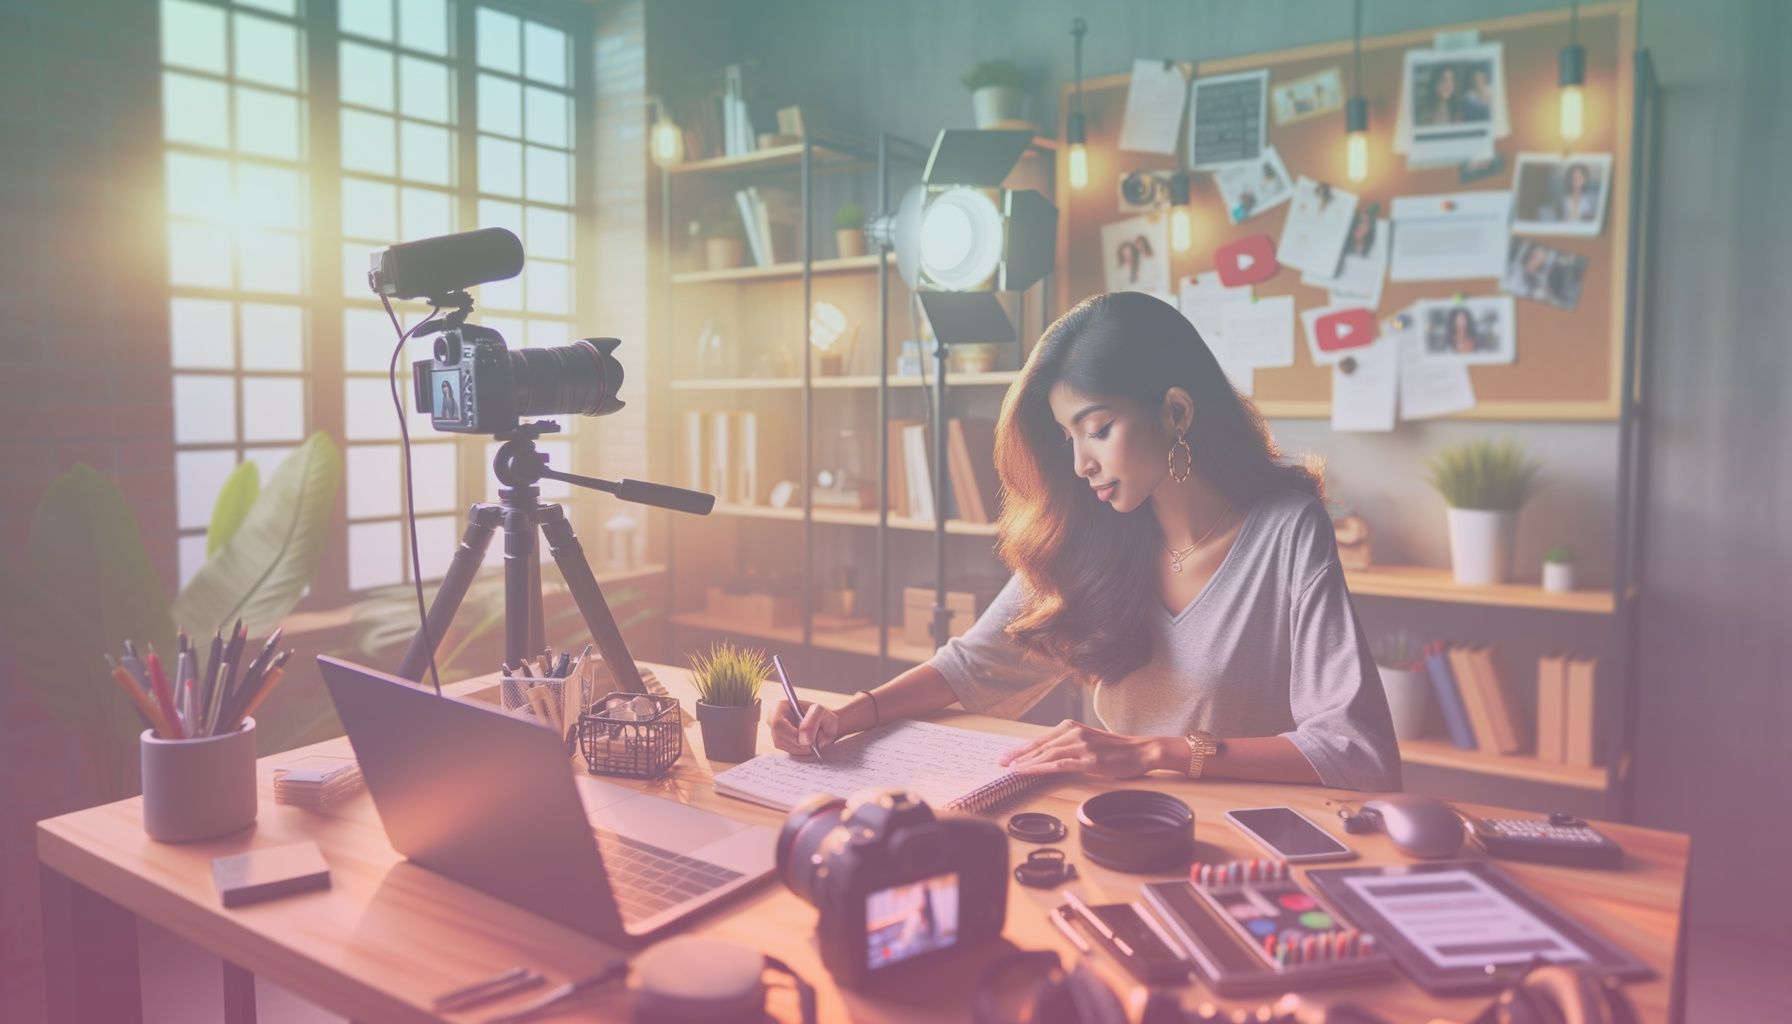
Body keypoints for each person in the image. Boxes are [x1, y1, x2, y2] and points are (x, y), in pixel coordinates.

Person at [770, 292, 1401, 791]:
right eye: (1069, 437)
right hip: (1114, 819)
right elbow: (973, 667)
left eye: (1098, 429)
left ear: (1176, 413)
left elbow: (1356, 749)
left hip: (1242, 836)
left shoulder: (1287, 532)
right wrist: (848, 716)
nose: (1080, 463)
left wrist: (1156, 753)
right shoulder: (1092, 533)